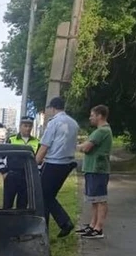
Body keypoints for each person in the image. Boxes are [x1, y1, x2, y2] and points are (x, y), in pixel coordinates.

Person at [35, 96, 79, 236]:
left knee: (43, 195)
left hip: (54, 163)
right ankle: (46, 227)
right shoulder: (74, 123)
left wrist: (35, 162)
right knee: (49, 195)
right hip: (67, 164)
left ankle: (64, 222)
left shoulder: (54, 123)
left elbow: (45, 145)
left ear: (52, 108)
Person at [76, 105, 113, 239]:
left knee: (100, 199)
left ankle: (99, 228)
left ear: (100, 116)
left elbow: (86, 147)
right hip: (93, 169)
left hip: (98, 169)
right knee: (94, 199)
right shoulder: (100, 131)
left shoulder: (102, 131)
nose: (90, 118)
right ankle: (93, 225)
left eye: (92, 115)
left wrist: (77, 146)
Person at [1, 116, 40, 209]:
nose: (28, 128)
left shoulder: (37, 142)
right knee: (7, 205)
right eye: (25, 126)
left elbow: (39, 161)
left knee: (22, 205)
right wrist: (4, 172)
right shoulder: (11, 140)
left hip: (27, 178)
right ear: (20, 126)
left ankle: (19, 223)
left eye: (30, 126)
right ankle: (6, 223)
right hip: (12, 176)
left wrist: (37, 176)